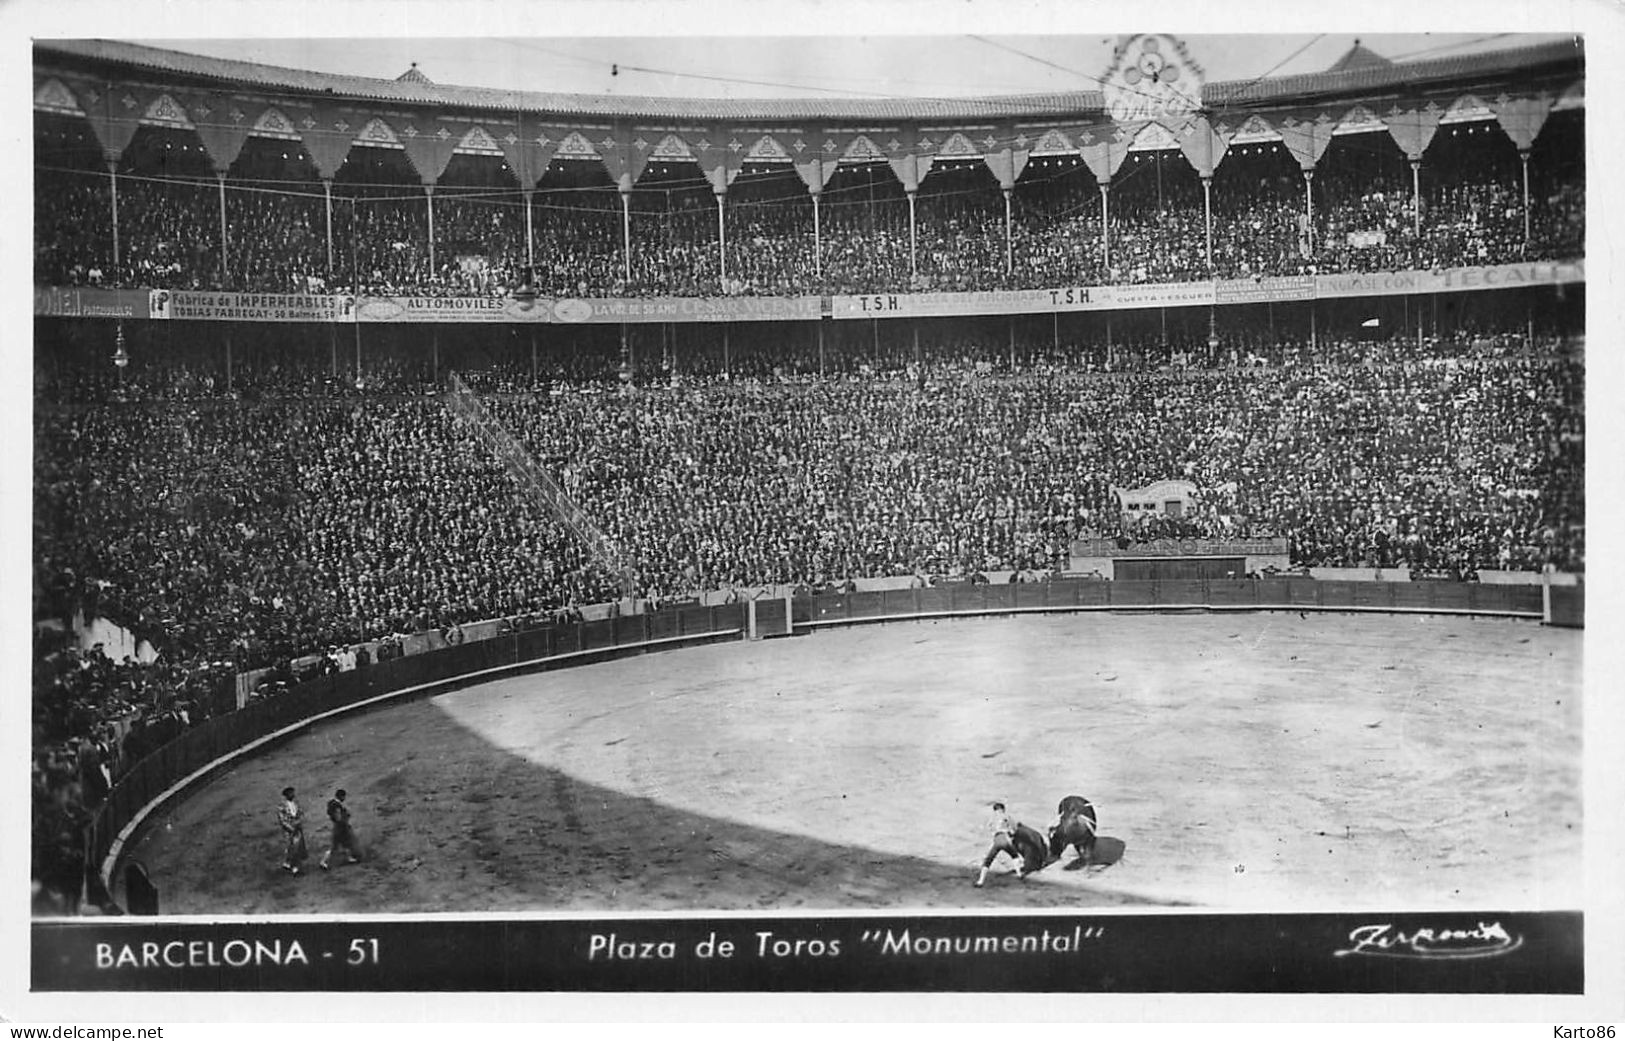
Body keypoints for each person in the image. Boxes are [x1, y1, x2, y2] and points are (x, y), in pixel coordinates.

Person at [975, 800, 1021, 888]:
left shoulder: (992, 818)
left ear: (995, 810)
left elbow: (989, 827)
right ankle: (1019, 874)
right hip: (1005, 838)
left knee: (988, 860)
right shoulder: (1007, 816)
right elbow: (1014, 829)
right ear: (1003, 809)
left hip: (997, 840)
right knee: (1014, 855)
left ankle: (980, 881)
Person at [319, 788, 362, 870]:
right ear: (341, 796)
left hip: (338, 827)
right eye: (344, 797)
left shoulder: (332, 803)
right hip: (340, 828)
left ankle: (348, 858)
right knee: (336, 846)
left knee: (345, 843)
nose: (344, 799)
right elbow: (338, 818)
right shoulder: (337, 805)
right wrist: (345, 821)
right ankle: (323, 862)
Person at [277, 786, 308, 875]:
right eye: (290, 793)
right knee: (292, 847)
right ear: (286, 795)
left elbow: (301, 813)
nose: (292, 795)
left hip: (297, 828)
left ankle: (291, 864)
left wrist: (299, 822)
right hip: (289, 830)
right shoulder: (282, 806)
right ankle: (294, 867)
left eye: (293, 793)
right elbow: (282, 820)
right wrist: (290, 828)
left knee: (297, 848)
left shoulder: (296, 804)